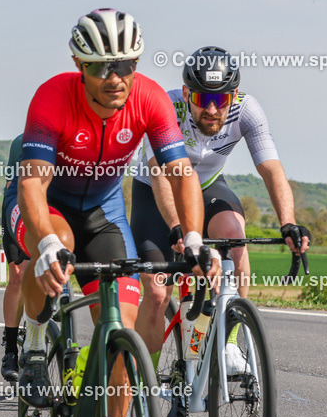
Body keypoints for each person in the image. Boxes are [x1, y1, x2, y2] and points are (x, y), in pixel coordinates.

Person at [6, 8, 216, 417]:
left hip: (104, 212)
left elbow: (181, 173)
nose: (115, 77)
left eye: (125, 65)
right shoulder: (52, 97)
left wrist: (194, 236)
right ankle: (31, 342)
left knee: (121, 331)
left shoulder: (150, 99)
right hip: (48, 204)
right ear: (80, 66)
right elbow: (33, 185)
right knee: (56, 243)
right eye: (102, 67)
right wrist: (44, 244)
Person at [131, 46, 310, 372]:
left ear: (235, 95)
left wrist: (288, 223)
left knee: (235, 241)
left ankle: (228, 345)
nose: (213, 110)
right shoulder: (166, 108)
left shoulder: (248, 111)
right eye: (203, 100)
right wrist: (178, 227)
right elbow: (159, 176)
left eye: (222, 100)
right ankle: (142, 387)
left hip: (208, 185)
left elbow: (272, 169)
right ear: (186, 93)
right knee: (157, 293)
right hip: (158, 193)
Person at [0, 134, 28, 382]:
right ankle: (10, 350)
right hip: (18, 204)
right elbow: (11, 188)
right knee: (18, 275)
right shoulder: (19, 142)